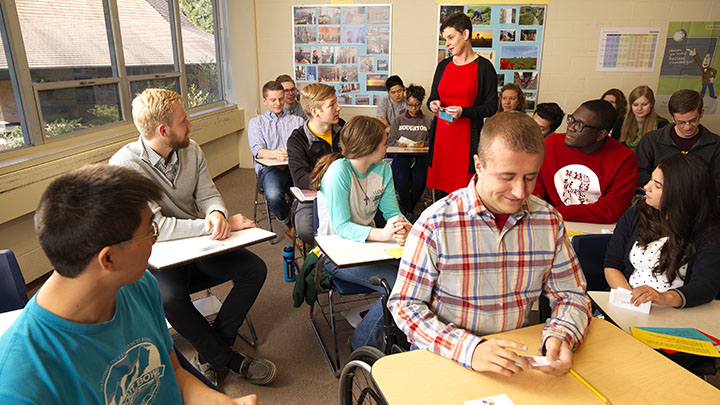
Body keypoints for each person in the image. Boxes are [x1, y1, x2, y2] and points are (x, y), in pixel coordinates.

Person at [0, 164, 258, 404]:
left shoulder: (140, 286)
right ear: (108, 258)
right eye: (150, 232)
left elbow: (173, 376)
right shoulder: (21, 381)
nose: (154, 241)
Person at [388, 112, 591, 376]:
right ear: (479, 165)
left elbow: (571, 294)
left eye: (530, 177)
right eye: (507, 177)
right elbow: (405, 306)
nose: (520, 192)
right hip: (445, 355)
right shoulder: (436, 222)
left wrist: (561, 335)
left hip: (513, 356)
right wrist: (469, 349)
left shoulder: (549, 221)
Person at [110, 89, 275, 386]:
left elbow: (209, 193)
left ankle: (214, 350)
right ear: (163, 130)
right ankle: (229, 358)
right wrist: (211, 225)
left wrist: (217, 214)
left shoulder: (191, 149)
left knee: (255, 269)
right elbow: (157, 228)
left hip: (199, 248)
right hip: (162, 259)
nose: (190, 125)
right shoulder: (125, 166)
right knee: (169, 297)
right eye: (184, 120)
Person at [311, 116, 411, 350]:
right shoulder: (339, 171)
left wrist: (404, 227)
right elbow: (342, 227)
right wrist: (384, 235)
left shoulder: (383, 169)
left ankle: (399, 333)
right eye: (384, 141)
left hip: (368, 248)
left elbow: (392, 212)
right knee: (397, 285)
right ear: (369, 146)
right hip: (334, 255)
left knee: (418, 275)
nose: (388, 144)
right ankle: (360, 343)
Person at [604, 154, 720, 308]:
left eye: (657, 186)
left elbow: (705, 286)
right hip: (628, 303)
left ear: (681, 193)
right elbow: (612, 264)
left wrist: (664, 298)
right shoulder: (635, 215)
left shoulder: (709, 232)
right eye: (651, 179)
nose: (646, 187)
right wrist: (632, 300)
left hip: (677, 311)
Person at [533, 99, 638, 224]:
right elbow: (536, 183)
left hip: (594, 227)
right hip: (552, 221)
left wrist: (553, 212)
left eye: (580, 125)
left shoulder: (625, 158)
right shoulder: (551, 144)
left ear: (601, 134)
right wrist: (535, 203)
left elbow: (610, 210)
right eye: (571, 120)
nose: (571, 128)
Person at [427, 12, 497, 195]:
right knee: (442, 194)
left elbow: (491, 107)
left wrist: (463, 111)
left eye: (450, 37)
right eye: (445, 39)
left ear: (465, 35)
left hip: (466, 141)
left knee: (466, 192)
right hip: (441, 139)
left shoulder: (484, 67)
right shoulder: (443, 66)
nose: (447, 43)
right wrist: (432, 104)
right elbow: (432, 98)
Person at [287, 83, 344, 246]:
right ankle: (324, 259)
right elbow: (301, 178)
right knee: (306, 229)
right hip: (314, 196)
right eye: (332, 105)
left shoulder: (344, 129)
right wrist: (334, 183)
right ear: (315, 111)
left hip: (346, 192)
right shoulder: (297, 140)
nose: (338, 108)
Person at [248, 80, 304, 237]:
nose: (278, 103)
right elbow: (257, 151)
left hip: (293, 166)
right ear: (264, 101)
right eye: (273, 100)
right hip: (270, 169)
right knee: (273, 196)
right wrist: (275, 154)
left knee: (308, 191)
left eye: (280, 98)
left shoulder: (297, 121)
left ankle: (302, 223)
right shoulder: (256, 123)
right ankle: (290, 224)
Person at [636, 89, 720, 189]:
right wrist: (663, 187)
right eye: (681, 122)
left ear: (701, 113)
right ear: (672, 118)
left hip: (697, 201)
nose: (688, 127)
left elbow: (717, 181)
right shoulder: (651, 140)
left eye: (693, 120)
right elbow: (637, 172)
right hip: (660, 199)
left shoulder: (716, 144)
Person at [388, 84, 431, 219]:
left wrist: (424, 143)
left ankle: (407, 208)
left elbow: (434, 143)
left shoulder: (427, 121)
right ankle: (409, 211)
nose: (413, 109)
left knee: (420, 180)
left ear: (421, 103)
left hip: (421, 156)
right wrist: (398, 143)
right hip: (402, 155)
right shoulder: (398, 120)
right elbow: (390, 141)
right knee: (401, 178)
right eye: (410, 105)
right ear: (406, 102)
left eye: (416, 105)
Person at [619, 85, 668, 150]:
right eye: (635, 105)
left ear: (651, 104)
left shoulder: (662, 125)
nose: (639, 108)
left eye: (644, 104)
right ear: (631, 105)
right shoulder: (620, 122)